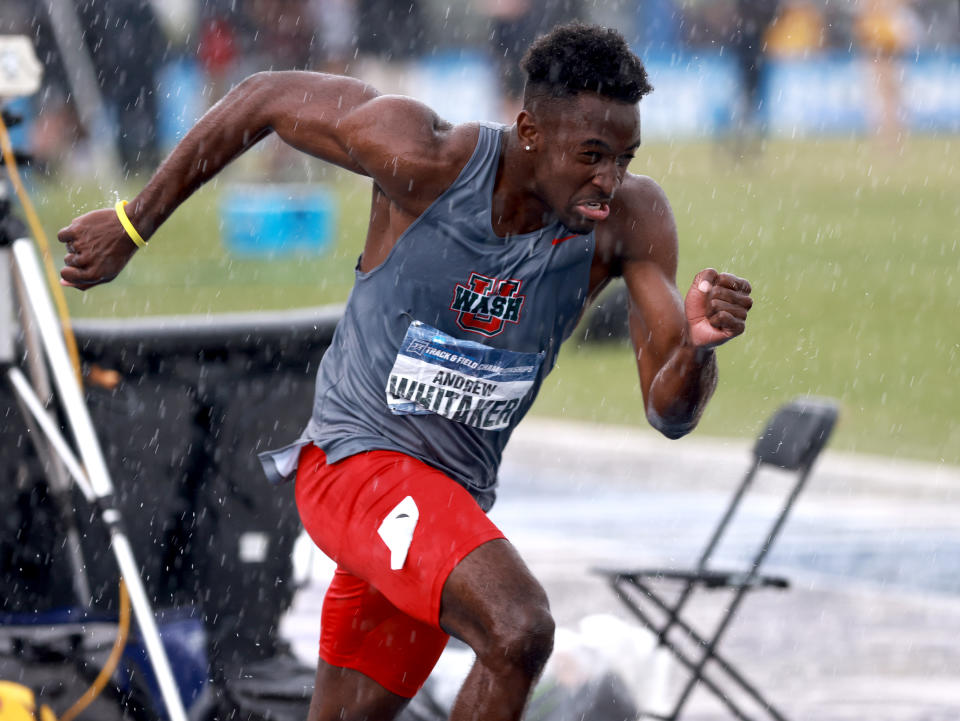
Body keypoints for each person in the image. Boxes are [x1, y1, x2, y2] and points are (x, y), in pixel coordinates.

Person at [58, 22, 753, 721]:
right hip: (356, 465)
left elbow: (670, 412)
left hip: (445, 507)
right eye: (592, 156)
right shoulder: (425, 157)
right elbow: (262, 96)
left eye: (625, 158)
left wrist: (698, 344)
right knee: (519, 628)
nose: (609, 180)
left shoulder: (628, 219)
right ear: (531, 131)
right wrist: (133, 221)